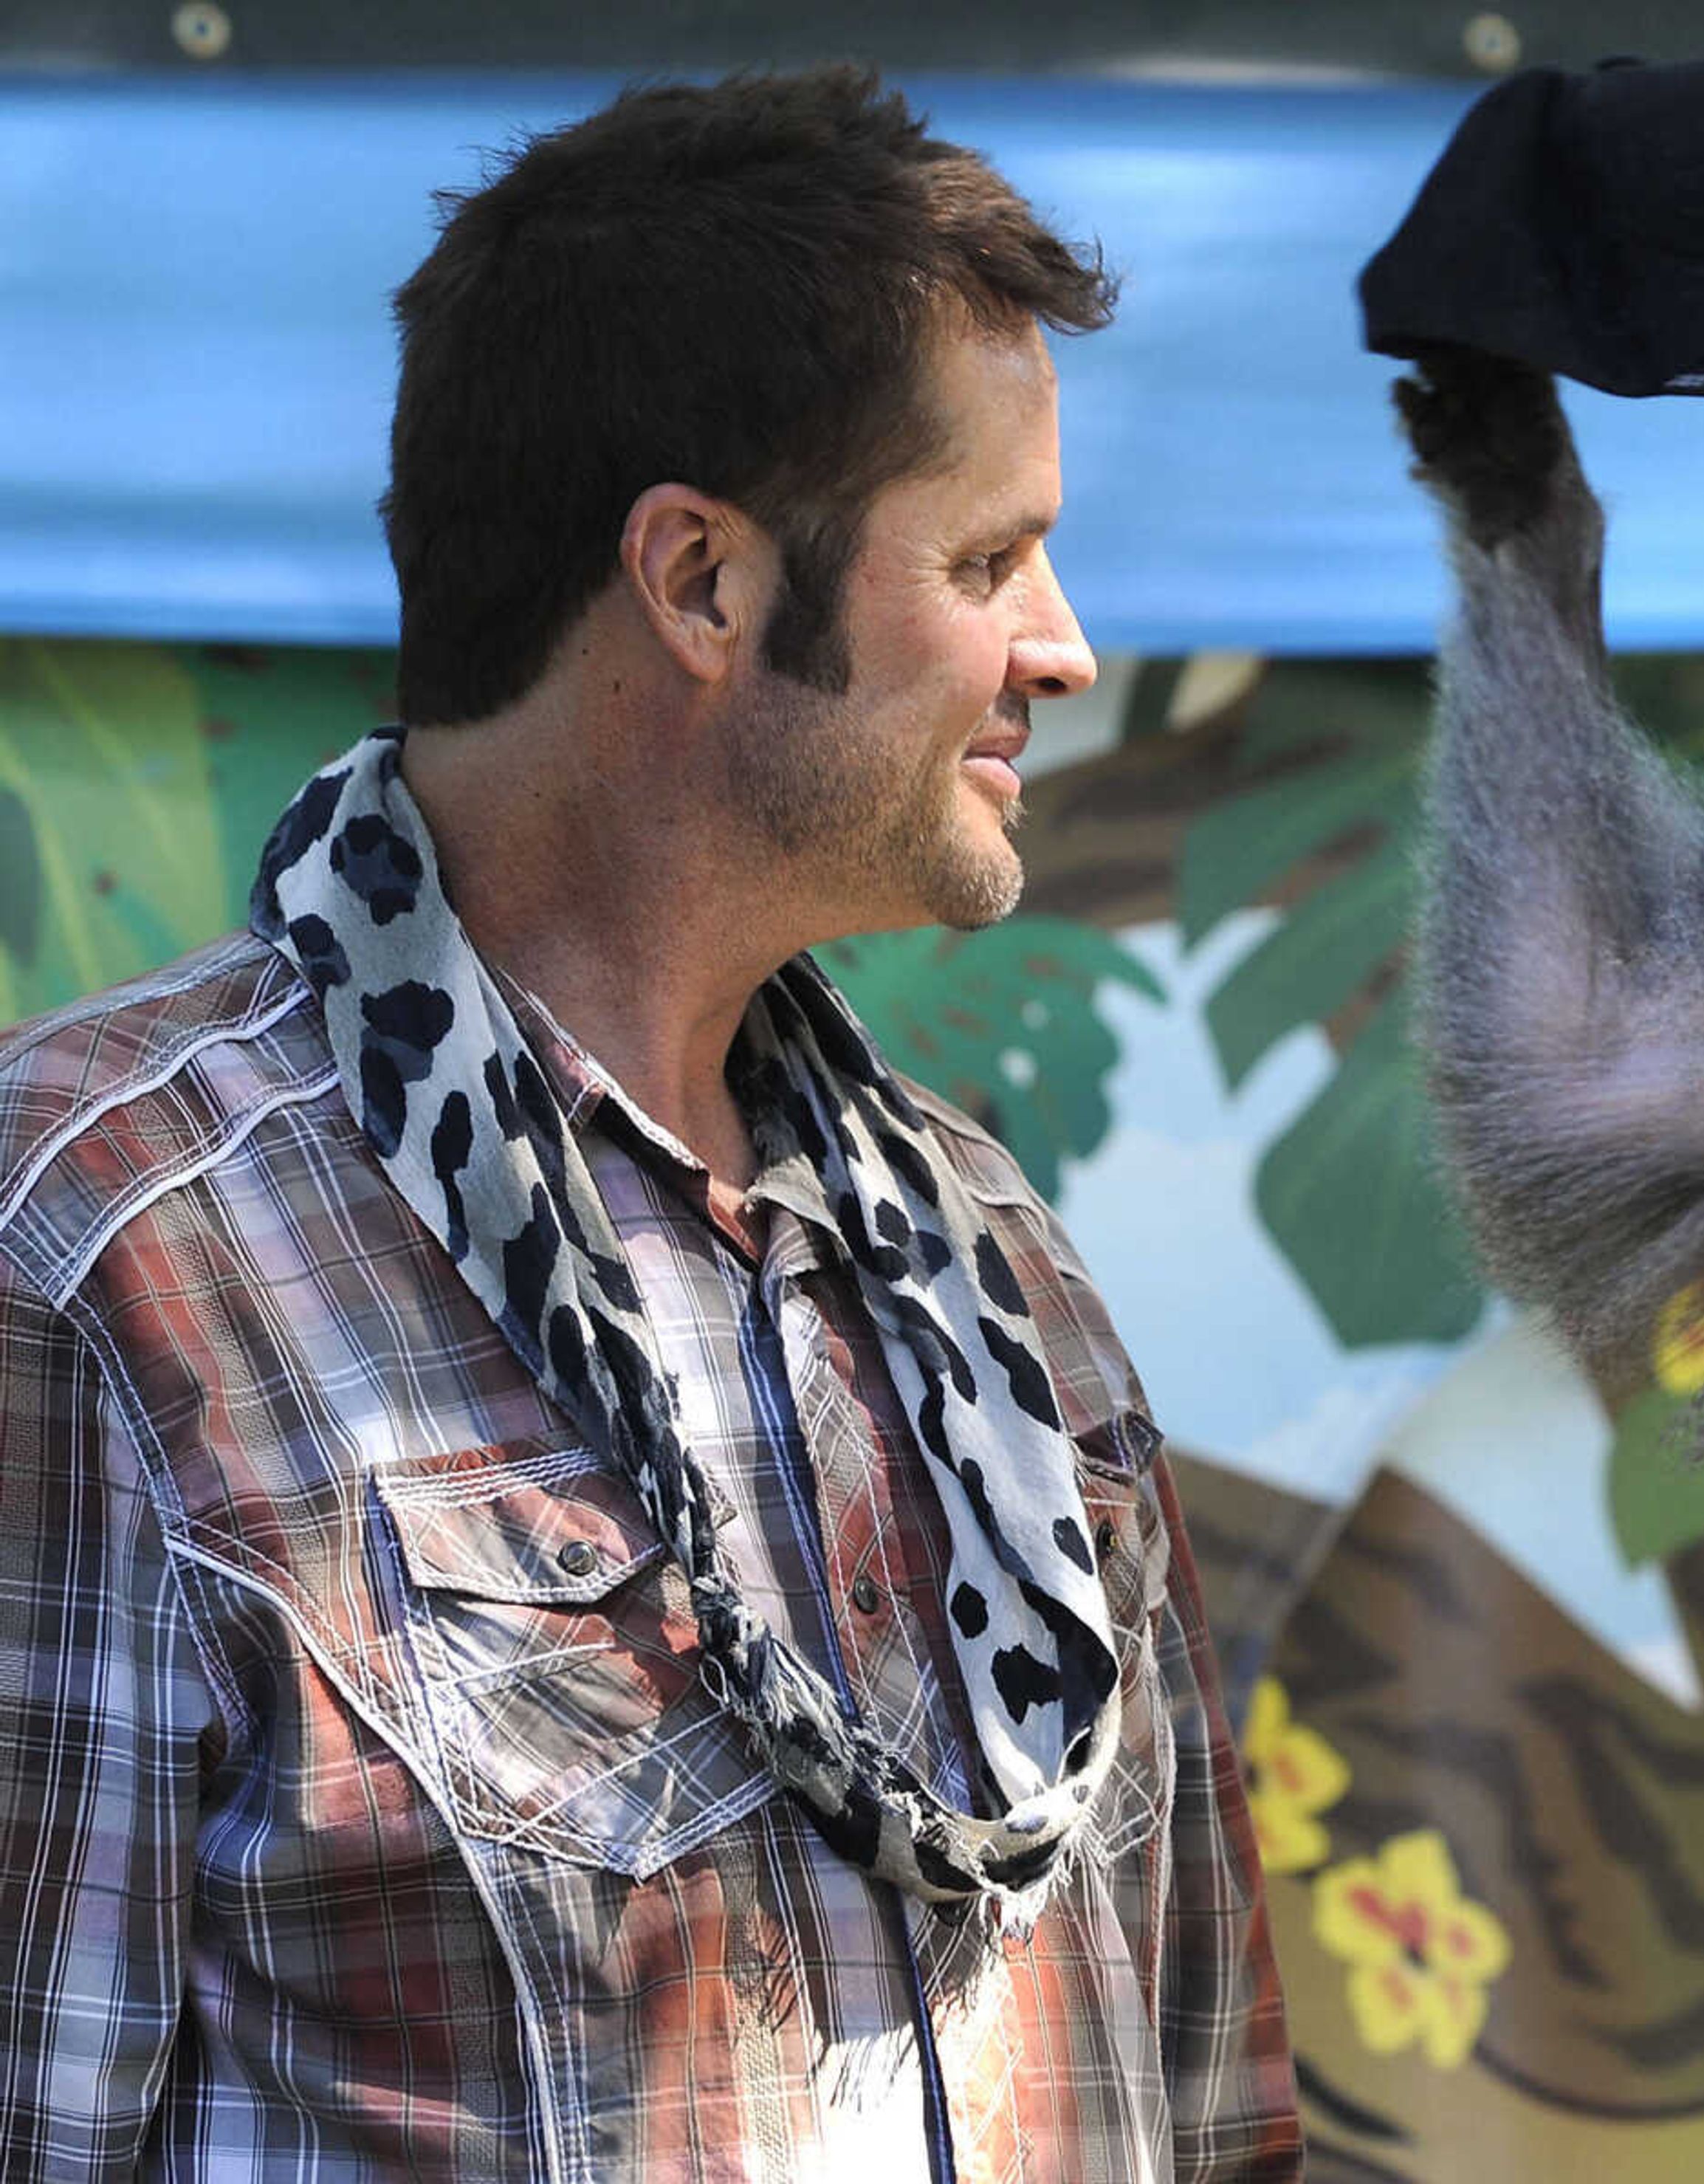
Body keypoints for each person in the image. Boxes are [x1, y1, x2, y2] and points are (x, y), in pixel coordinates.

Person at [0, 67, 1299, 2181]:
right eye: (989, 557)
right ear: (699, 583)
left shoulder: (992, 1266)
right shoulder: (108, 1251)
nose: (1060, 650)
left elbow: (1213, 2104)